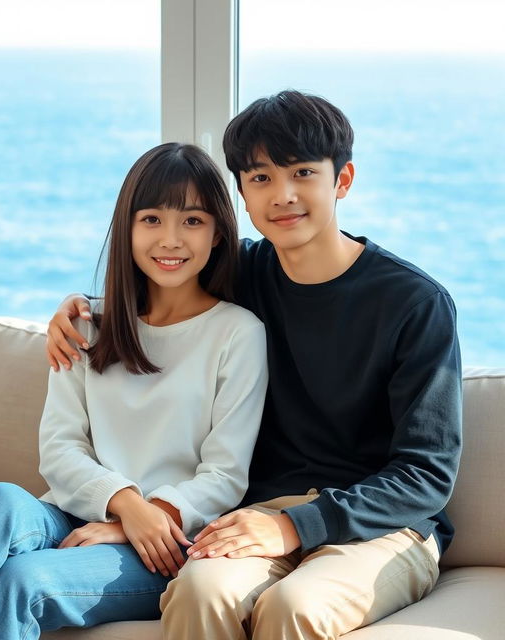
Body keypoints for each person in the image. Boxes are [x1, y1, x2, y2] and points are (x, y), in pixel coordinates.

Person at [46, 90, 463, 640]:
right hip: (255, 514)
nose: (283, 195)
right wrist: (78, 307)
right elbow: (161, 270)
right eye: (261, 178)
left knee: (296, 605)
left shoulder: (414, 303)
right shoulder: (241, 271)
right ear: (241, 193)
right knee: (198, 589)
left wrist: (295, 526)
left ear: (342, 180)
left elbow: (426, 473)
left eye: (303, 173)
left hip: (382, 528)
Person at [0, 143, 268, 640]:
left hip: (166, 546)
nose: (170, 239)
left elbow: (224, 475)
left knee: (26, 580)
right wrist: (126, 506)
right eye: (151, 219)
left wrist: (138, 523)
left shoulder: (238, 333)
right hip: (70, 515)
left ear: (217, 234)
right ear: (127, 228)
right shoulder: (87, 325)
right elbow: (60, 450)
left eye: (192, 221)